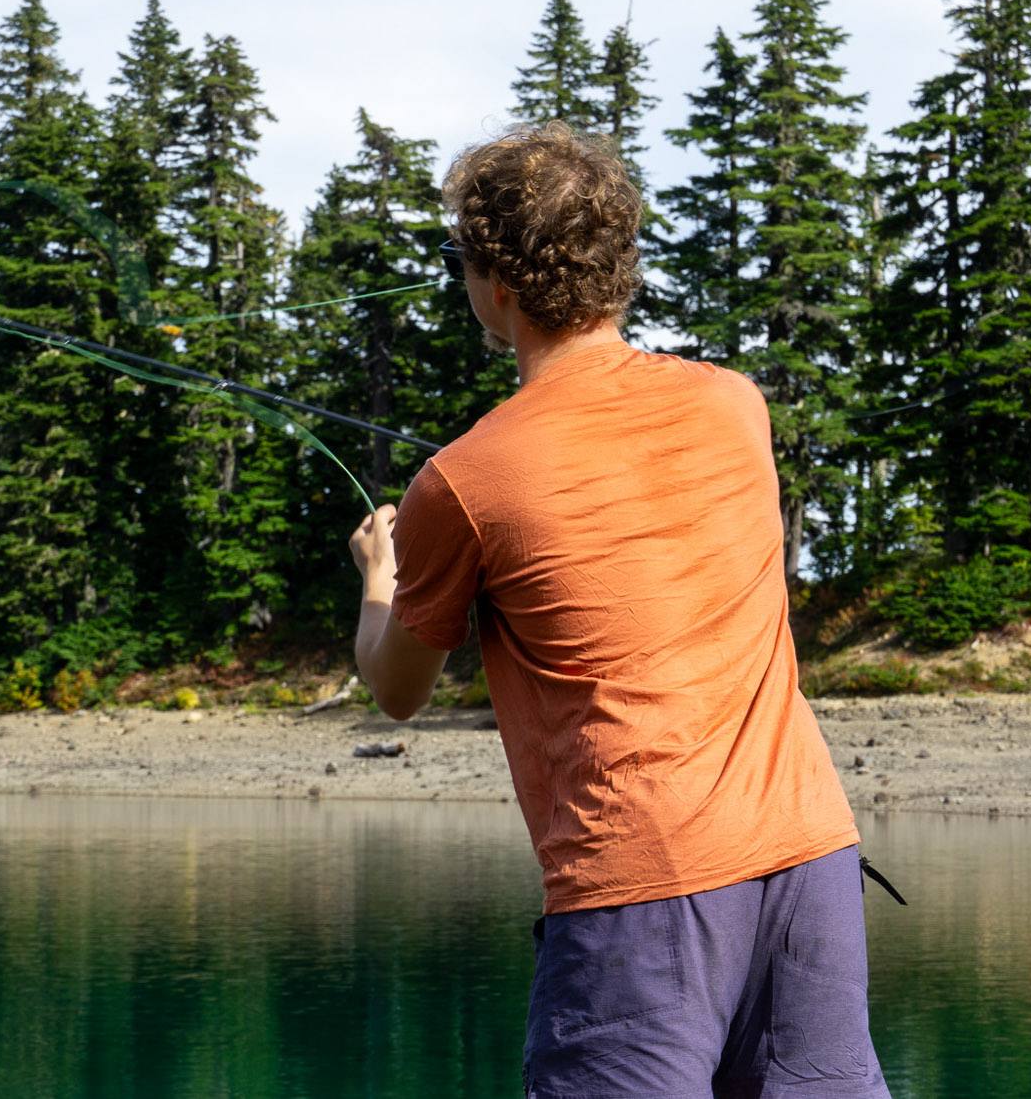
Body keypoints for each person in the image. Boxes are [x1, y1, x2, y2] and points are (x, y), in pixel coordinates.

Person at [346, 122, 889, 1098]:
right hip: (808, 861)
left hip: (640, 891)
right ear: (615, 265)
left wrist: (378, 575)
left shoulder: (458, 483)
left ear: (496, 285)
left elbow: (395, 688)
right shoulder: (736, 404)